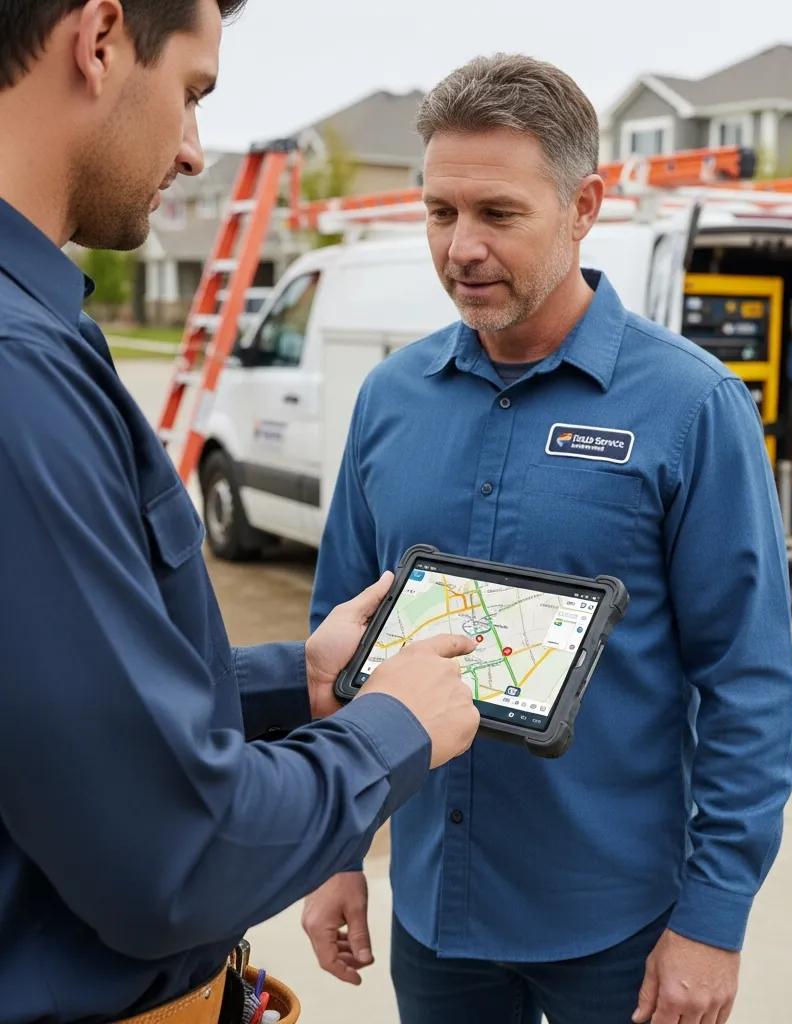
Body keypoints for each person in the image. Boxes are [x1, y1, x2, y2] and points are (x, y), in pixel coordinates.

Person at [0, 2, 479, 1020]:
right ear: (99, 39)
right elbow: (176, 860)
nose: (191, 147)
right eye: (192, 92)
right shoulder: (17, 373)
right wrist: (393, 728)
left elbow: (52, 697)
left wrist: (288, 682)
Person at [304, 54, 792, 1024]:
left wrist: (713, 918)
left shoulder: (693, 408)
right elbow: (339, 644)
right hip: (435, 917)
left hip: (614, 929)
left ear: (584, 206)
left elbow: (747, 686)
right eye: (440, 213)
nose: (461, 248)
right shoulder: (390, 399)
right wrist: (335, 856)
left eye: (497, 213)